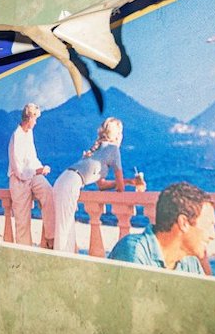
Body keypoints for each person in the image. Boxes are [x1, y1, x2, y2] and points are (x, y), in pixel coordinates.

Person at [52, 117, 138, 253]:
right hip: (70, 184)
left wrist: (128, 182)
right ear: (117, 135)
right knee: (64, 231)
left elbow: (101, 185)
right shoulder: (113, 149)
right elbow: (120, 188)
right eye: (121, 132)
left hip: (64, 180)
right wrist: (127, 183)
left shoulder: (98, 149)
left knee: (66, 230)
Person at [108, 182, 215, 274]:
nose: (213, 235)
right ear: (183, 223)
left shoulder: (190, 262)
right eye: (208, 225)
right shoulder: (134, 251)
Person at [8, 103, 55, 248]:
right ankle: (24, 253)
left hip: (32, 175)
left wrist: (40, 168)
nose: (36, 123)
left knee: (48, 192)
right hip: (19, 180)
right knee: (22, 222)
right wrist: (37, 171)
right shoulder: (16, 137)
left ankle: (51, 236)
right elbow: (19, 170)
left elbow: (32, 158)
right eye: (35, 119)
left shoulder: (29, 133)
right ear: (29, 118)